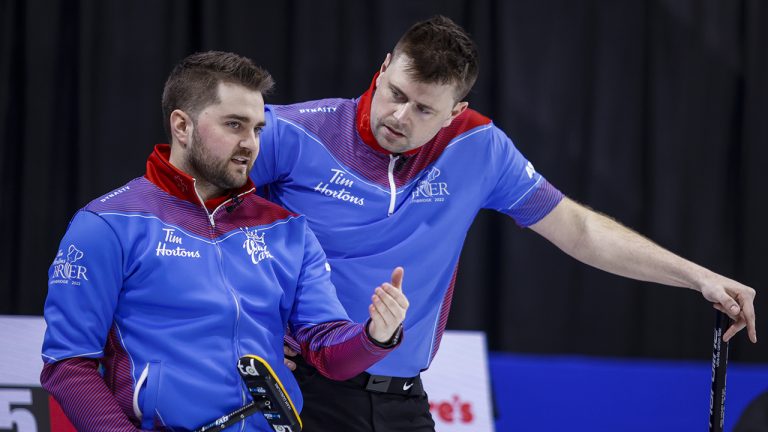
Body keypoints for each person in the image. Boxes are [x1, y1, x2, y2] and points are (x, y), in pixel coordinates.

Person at [250, 15, 758, 432]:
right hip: (302, 393)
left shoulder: (479, 148)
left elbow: (579, 231)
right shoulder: (295, 132)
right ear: (382, 69)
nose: (401, 116)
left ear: (456, 111)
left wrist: (699, 277)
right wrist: (239, 335)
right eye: (396, 92)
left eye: (424, 108)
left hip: (401, 401)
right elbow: (184, 205)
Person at [40, 51, 410, 432]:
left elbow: (329, 352)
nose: (250, 143)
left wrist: (374, 337)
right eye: (234, 125)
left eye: (257, 129)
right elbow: (68, 364)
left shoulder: (288, 231)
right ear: (182, 126)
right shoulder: (107, 224)